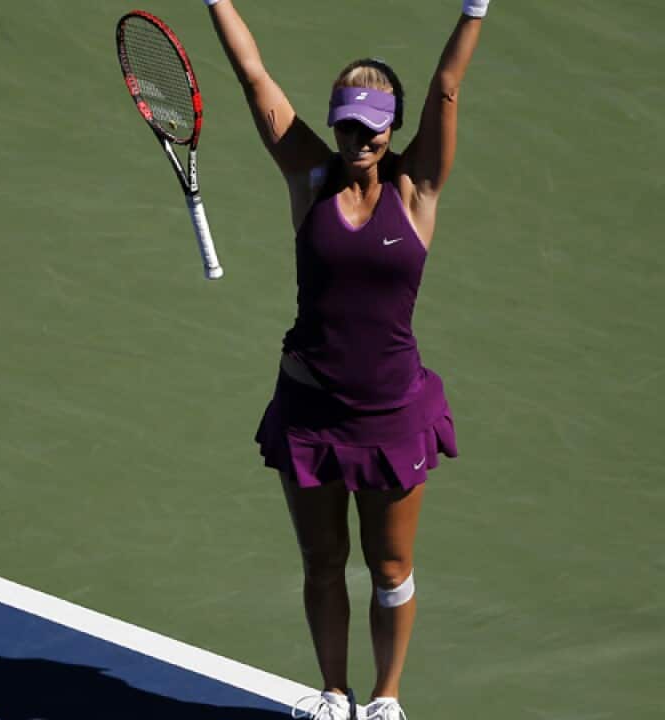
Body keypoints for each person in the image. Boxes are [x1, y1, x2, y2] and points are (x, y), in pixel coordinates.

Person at [203, 1, 490, 718]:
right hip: (310, 412)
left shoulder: (416, 187)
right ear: (333, 121)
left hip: (391, 415)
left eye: (373, 124)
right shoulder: (309, 177)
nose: (359, 136)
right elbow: (252, 76)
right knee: (323, 563)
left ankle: (387, 701)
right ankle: (334, 693)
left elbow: (448, 85)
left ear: (392, 127)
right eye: (348, 122)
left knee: (390, 568)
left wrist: (473, 10)